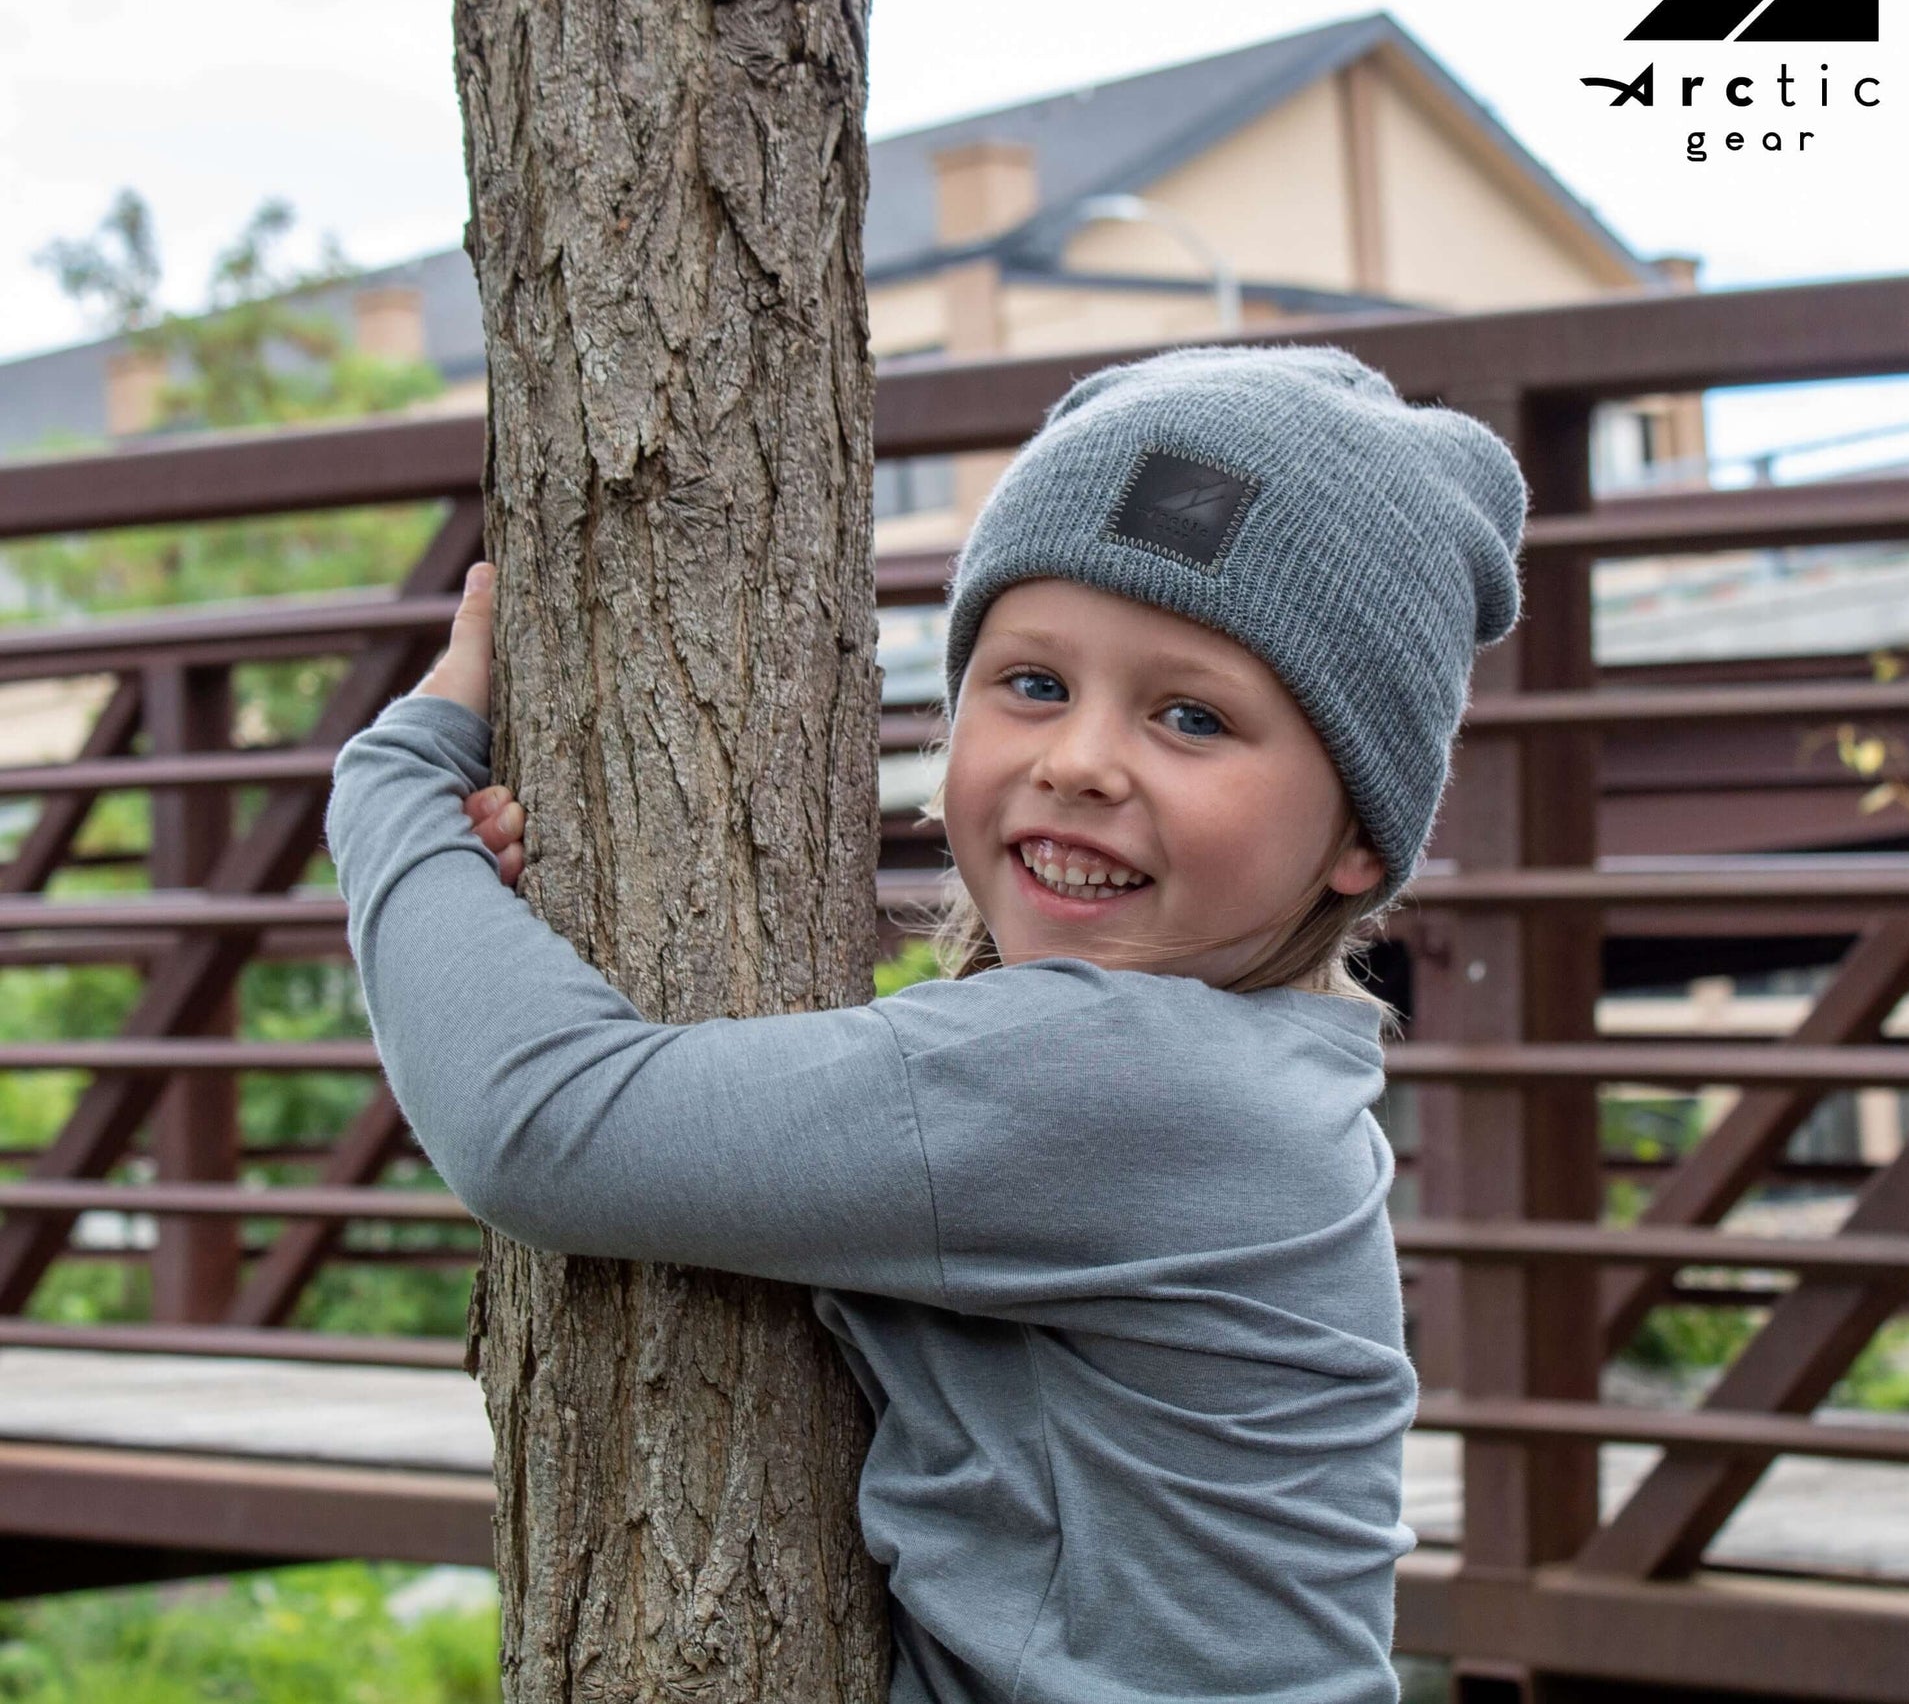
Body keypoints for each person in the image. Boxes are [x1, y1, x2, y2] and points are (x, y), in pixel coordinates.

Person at [324, 342, 1530, 1704]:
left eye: (1188, 715)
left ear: (1359, 835)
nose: (1077, 759)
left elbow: (542, 1127)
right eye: (1029, 683)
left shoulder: (1117, 1077)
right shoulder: (1249, 1064)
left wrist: (394, 794)